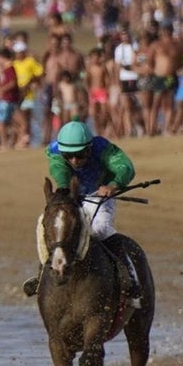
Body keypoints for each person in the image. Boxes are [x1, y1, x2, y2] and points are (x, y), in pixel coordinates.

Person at [22, 120, 142, 307]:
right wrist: (64, 189)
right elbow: (58, 168)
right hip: (71, 195)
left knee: (101, 229)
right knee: (44, 224)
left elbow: (125, 166)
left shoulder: (102, 147)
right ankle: (41, 275)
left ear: (89, 148)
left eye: (80, 155)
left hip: (99, 195)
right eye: (68, 156)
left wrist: (113, 185)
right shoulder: (55, 150)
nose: (74, 161)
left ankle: (130, 276)